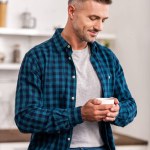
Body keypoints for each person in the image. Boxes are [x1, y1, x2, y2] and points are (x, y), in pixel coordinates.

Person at [15, 0, 137, 150]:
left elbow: (130, 105)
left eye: (103, 20)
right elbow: (25, 118)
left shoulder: (107, 58)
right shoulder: (37, 57)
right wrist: (79, 114)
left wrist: (117, 111)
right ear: (72, 12)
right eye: (93, 18)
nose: (99, 27)